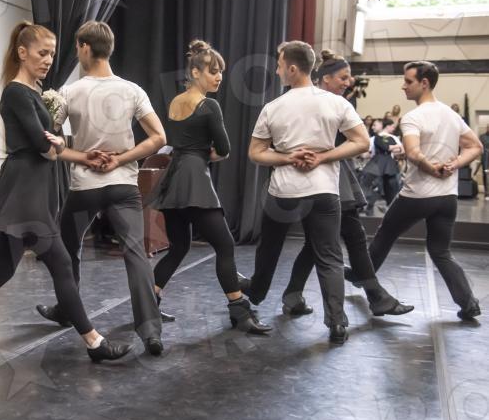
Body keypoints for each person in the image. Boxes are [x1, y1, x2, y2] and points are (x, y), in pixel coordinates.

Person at [0, 22, 131, 363]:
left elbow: (52, 147)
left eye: (52, 54)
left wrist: (82, 155)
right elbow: (43, 146)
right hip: (26, 192)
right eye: (43, 53)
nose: (49, 60)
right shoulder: (16, 93)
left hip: (32, 187)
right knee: (62, 264)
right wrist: (57, 144)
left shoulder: (34, 92)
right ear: (22, 53)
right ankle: (94, 343)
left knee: (2, 270)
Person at [33, 21, 165, 355]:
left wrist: (82, 156)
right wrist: (120, 160)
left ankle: (67, 309)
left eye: (78, 47)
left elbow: (49, 142)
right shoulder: (132, 90)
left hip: (84, 188)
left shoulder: (70, 92)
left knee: (67, 250)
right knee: (135, 254)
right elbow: (159, 138)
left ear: (85, 48)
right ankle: (150, 331)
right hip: (123, 187)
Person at [243, 41, 370, 345]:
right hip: (323, 191)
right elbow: (362, 142)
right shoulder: (336, 103)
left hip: (283, 193)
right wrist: (322, 157)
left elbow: (256, 153)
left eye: (279, 65)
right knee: (329, 256)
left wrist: (288, 157)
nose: (277, 71)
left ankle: (256, 294)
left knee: (269, 249)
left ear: (292, 68)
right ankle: (337, 323)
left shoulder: (273, 107)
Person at [147, 40, 271, 334]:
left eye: (221, 73)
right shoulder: (209, 105)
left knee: (179, 247)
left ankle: (148, 304)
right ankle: (239, 310)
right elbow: (224, 149)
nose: (219, 77)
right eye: (213, 72)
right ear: (195, 72)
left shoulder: (175, 102)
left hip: (173, 179)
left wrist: (197, 153)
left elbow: (179, 142)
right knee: (225, 245)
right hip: (194, 179)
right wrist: (206, 155)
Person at [279, 50, 413, 318]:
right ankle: (375, 296)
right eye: (343, 77)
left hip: (329, 179)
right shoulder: (329, 104)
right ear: (325, 78)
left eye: (348, 77)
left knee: (320, 242)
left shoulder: (331, 102)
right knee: (351, 237)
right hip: (327, 181)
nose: (348, 82)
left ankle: (293, 296)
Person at [360, 61, 483, 321]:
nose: (403, 86)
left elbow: (415, 153)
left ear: (424, 83)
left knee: (384, 236)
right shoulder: (451, 115)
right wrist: (454, 164)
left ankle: (362, 277)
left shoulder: (413, 117)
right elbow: (475, 147)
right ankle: (469, 304)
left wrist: (432, 167)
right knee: (440, 251)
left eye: (408, 81)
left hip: (418, 196)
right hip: (447, 199)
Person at [362, 118, 403, 209]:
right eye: (372, 125)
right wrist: (393, 148)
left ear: (382, 125)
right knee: (375, 186)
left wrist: (390, 148)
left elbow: (401, 150)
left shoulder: (392, 138)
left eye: (375, 125)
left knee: (390, 188)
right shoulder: (374, 139)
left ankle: (388, 206)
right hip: (377, 165)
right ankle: (370, 206)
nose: (372, 127)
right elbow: (366, 154)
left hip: (388, 166)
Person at [480, 125, 489, 200]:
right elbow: (481, 148)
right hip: (485, 159)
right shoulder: (482, 137)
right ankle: (487, 193)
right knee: (485, 176)